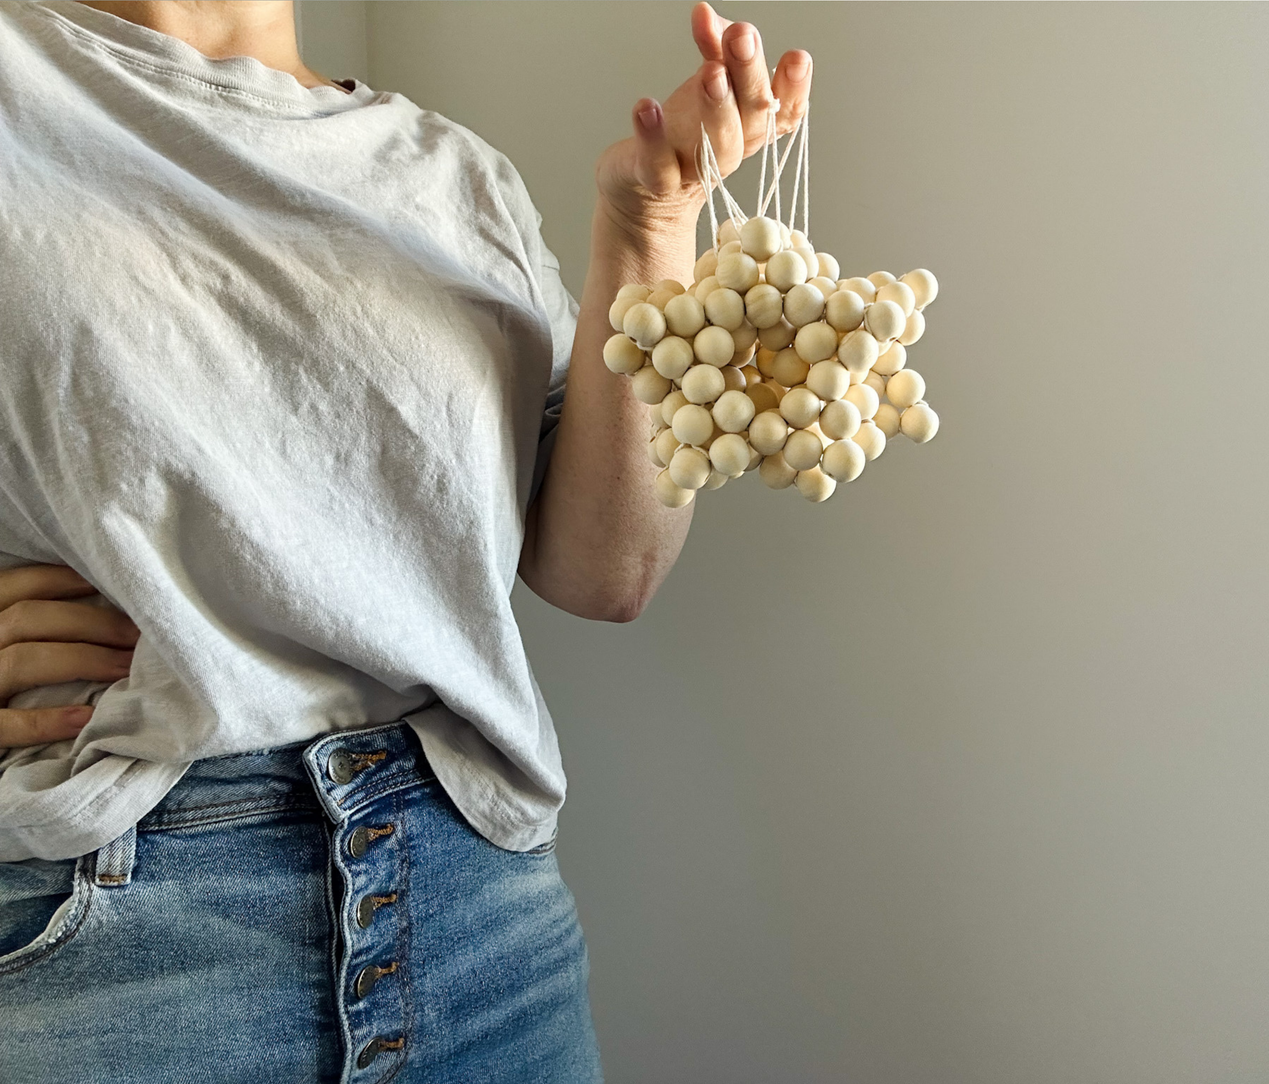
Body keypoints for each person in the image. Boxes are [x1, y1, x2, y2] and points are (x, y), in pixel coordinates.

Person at [0, 1, 812, 1080]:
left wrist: (648, 230)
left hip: (481, 917)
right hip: (119, 940)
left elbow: (605, 570)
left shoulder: (456, 176)